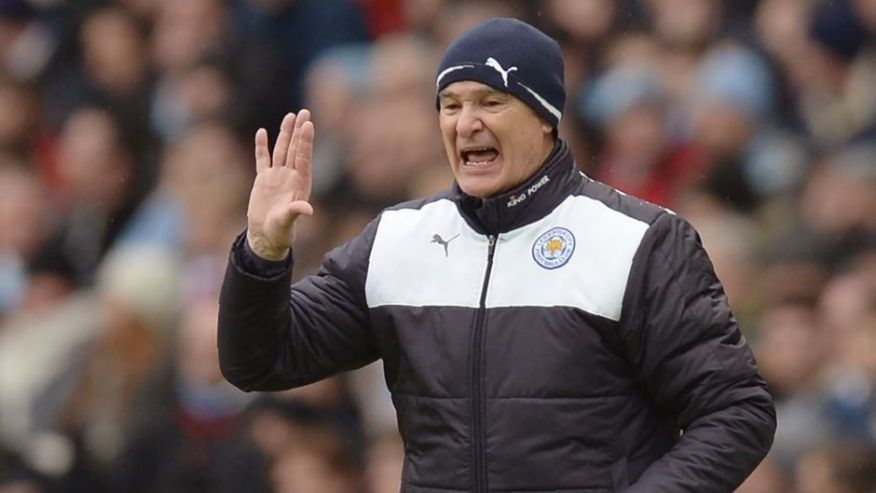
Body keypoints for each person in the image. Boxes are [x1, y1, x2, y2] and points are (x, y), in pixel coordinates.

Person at [218, 17, 776, 492]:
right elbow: (259, 361)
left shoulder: (641, 241)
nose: (466, 123)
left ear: (545, 117)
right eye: (451, 104)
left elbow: (736, 412)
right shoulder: (396, 241)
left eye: (491, 101)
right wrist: (263, 256)